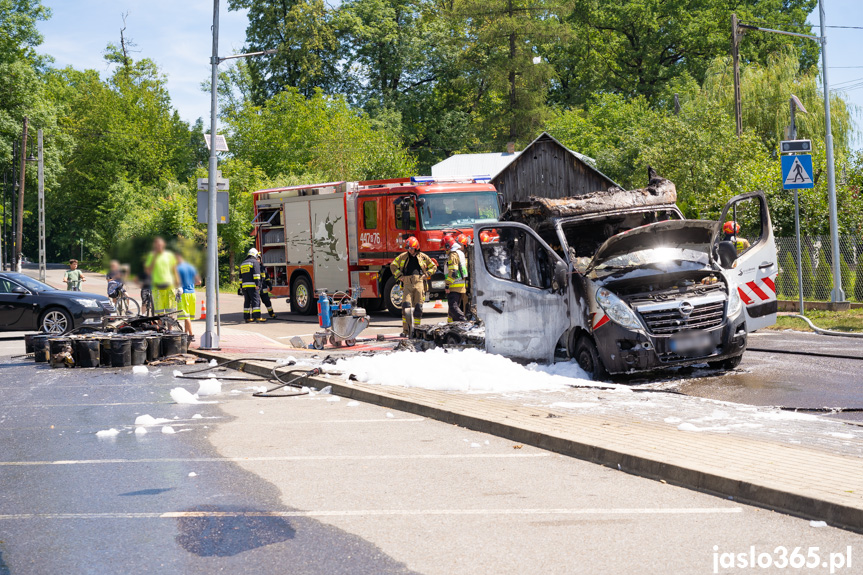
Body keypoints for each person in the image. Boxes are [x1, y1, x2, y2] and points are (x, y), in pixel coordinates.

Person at [390, 236, 437, 335]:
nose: (409, 250)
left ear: (416, 247)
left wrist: (427, 274)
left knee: (418, 307)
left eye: (411, 248)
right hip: (407, 283)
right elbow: (393, 265)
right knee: (406, 306)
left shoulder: (423, 257)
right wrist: (399, 276)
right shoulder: (403, 256)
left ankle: (417, 329)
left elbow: (433, 266)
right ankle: (406, 330)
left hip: (419, 282)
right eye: (408, 248)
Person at [144, 237, 180, 316]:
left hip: (169, 287)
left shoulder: (169, 255)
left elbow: (174, 270)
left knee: (170, 312)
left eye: (160, 245)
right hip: (157, 288)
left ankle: (170, 328)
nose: (159, 247)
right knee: (159, 313)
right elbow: (148, 270)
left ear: (164, 245)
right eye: (157, 245)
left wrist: (178, 285)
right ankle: (161, 328)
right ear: (154, 246)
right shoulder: (151, 256)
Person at [443, 235, 468, 323]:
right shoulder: (459, 253)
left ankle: (464, 321)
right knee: (453, 309)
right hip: (461, 285)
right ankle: (453, 325)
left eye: (444, 247)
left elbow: (453, 272)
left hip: (454, 285)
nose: (444, 250)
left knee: (453, 308)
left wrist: (447, 285)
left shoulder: (452, 255)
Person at [176, 255, 201, 339]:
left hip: (184, 294)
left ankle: (191, 335)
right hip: (192, 294)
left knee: (185, 316)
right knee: (188, 316)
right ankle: (185, 333)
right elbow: (199, 282)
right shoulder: (192, 268)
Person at [240, 247, 265, 323]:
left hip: (244, 286)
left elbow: (240, 277)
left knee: (247, 301)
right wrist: (257, 284)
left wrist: (241, 286)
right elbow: (256, 274)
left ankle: (247, 318)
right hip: (253, 286)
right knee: (256, 301)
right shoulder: (254, 262)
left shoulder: (243, 263)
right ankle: (257, 317)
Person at [456, 233, 472, 317]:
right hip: (458, 284)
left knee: (466, 303)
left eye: (460, 244)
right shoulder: (456, 254)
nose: (458, 246)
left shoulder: (469, 255)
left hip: (467, 285)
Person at [257, 254, 277, 318]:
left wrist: (269, 284)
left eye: (258, 259)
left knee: (267, 302)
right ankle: (257, 316)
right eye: (256, 259)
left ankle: (271, 313)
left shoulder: (263, 268)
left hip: (263, 289)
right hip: (256, 289)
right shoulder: (253, 268)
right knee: (256, 304)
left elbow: (267, 277)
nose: (257, 260)